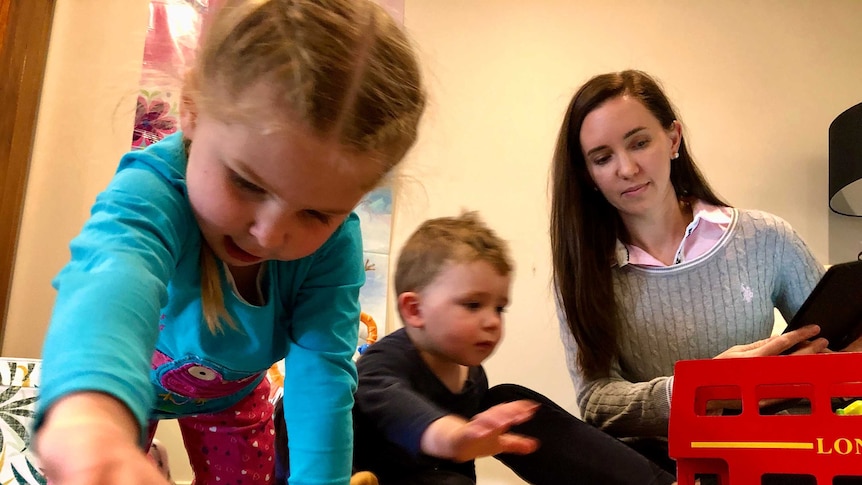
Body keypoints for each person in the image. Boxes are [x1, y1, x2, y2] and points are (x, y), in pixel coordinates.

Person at [32, 1, 426, 484]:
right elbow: (114, 277)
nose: (269, 233)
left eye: (316, 213)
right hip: (123, 379)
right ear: (192, 110)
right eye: (247, 183)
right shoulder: (153, 189)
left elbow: (321, 374)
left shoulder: (334, 249)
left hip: (231, 395)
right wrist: (90, 415)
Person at [549, 69, 829, 473]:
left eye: (639, 143)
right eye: (602, 157)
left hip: (771, 456)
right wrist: (707, 389)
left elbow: (834, 348)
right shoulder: (583, 275)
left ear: (673, 138)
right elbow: (597, 400)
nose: (626, 168)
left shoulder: (766, 237)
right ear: (588, 174)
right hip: (661, 467)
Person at [349, 212, 676, 485]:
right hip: (378, 478)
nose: (492, 321)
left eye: (499, 308)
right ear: (414, 310)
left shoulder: (473, 374)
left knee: (508, 403)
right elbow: (403, 413)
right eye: (473, 304)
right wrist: (457, 438)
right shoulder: (382, 364)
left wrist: (473, 439)